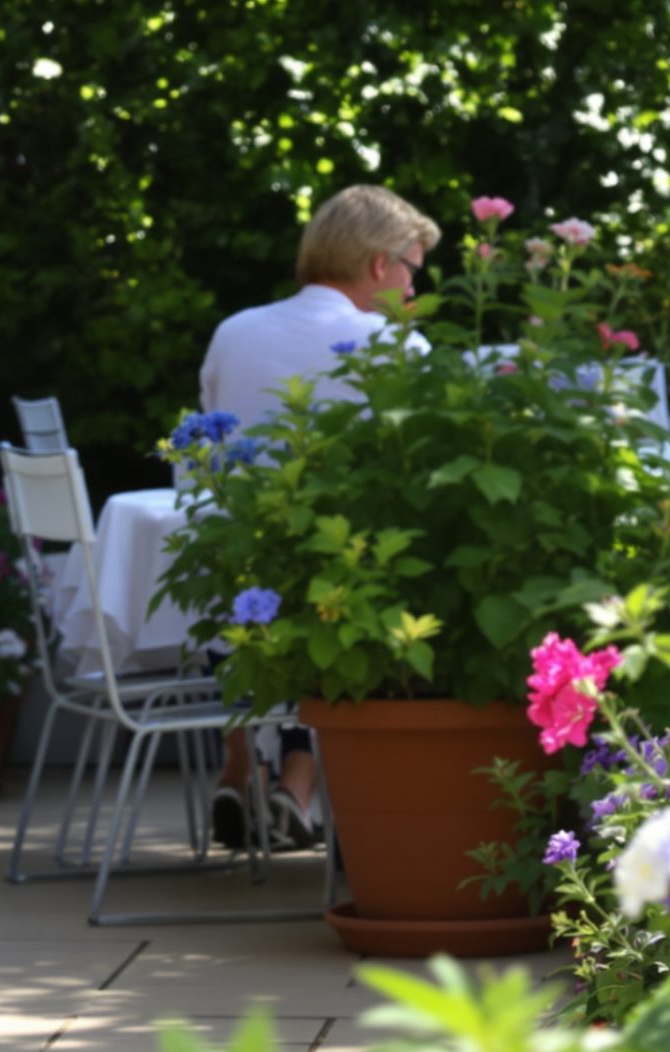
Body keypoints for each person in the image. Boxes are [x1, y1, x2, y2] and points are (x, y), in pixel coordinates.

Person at [195, 184, 439, 850]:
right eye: (412, 271)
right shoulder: (394, 347)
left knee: (241, 578)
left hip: (239, 588)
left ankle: (241, 767)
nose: (414, 290)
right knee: (347, 601)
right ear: (380, 264)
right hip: (344, 592)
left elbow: (213, 458)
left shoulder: (234, 332)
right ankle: (297, 788)